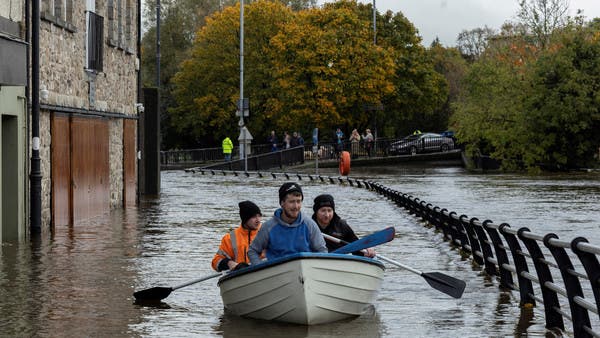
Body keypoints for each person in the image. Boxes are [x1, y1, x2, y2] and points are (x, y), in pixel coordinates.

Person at [248, 182, 327, 265]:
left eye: (299, 201)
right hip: (277, 273)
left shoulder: (310, 224)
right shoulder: (268, 227)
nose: (296, 206)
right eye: (292, 202)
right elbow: (252, 251)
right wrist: (259, 268)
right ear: (282, 203)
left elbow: (322, 251)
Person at [311, 194, 376, 257]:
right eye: (323, 211)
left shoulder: (342, 226)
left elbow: (356, 247)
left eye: (329, 210)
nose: (327, 215)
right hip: (315, 258)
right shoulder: (308, 226)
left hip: (339, 260)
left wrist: (366, 250)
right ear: (316, 211)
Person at [211, 201, 263, 271]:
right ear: (245, 219)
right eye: (253, 217)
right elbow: (215, 262)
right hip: (240, 277)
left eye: (259, 216)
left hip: (264, 271)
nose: (258, 220)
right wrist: (229, 263)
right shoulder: (229, 238)